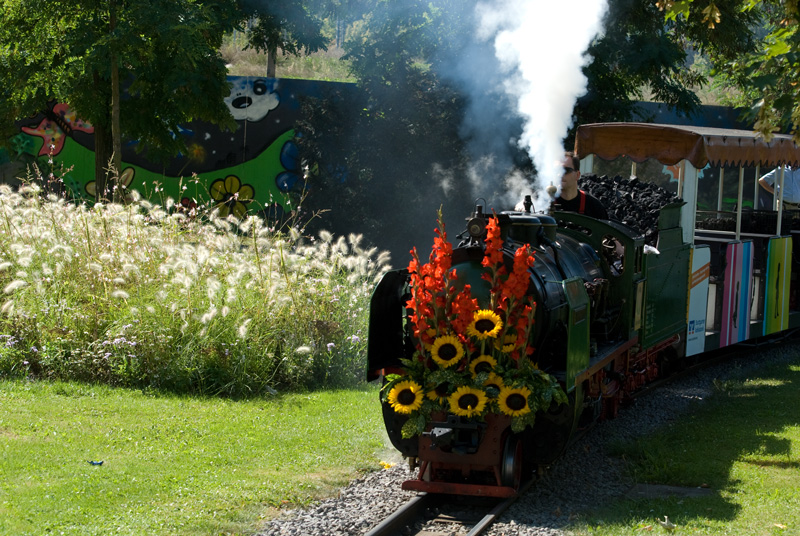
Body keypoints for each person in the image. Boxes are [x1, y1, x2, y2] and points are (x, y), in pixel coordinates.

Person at [552, 152, 608, 219]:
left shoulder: (594, 207)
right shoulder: (544, 202)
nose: (559, 174)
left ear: (577, 175)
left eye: (565, 170)